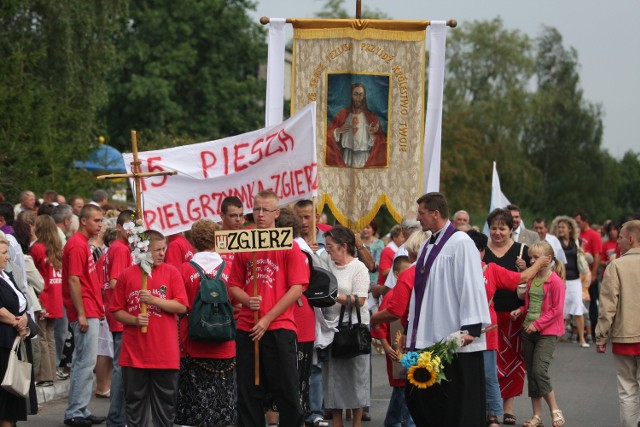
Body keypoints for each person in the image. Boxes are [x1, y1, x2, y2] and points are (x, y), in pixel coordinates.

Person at [405, 192, 490, 427]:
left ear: (435, 213)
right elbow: (421, 290)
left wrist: (470, 326)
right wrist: (410, 327)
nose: (418, 219)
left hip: (453, 332)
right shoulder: (426, 245)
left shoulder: (461, 243)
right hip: (428, 331)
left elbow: (470, 283)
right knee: (422, 397)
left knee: (455, 399)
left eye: (421, 214)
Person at [228, 190, 309, 427]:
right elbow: (233, 285)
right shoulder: (245, 242)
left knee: (286, 390)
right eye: (256, 209)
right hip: (248, 326)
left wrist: (267, 318)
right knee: (248, 390)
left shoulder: (290, 246)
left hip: (279, 327)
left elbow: (296, 288)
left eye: (265, 210)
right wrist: (246, 299)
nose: (260, 214)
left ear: (277, 213)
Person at [467, 230, 550, 427]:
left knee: (489, 373)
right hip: (462, 330)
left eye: (475, 250)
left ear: (481, 251)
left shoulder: (491, 269)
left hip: (487, 330)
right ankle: (471, 412)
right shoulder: (456, 270)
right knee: (467, 373)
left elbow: (520, 279)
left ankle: (494, 415)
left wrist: (538, 264)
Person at [111, 230, 189, 427]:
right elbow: (116, 310)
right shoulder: (126, 276)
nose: (163, 253)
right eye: (158, 250)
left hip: (165, 355)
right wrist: (135, 320)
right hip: (135, 354)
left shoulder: (172, 273)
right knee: (135, 407)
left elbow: (181, 306)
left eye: (164, 249)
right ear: (144, 250)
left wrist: (154, 300)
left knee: (165, 408)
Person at [175, 219, 236, 427]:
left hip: (191, 345)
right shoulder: (230, 268)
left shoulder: (183, 270)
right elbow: (237, 304)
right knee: (223, 406)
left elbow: (180, 307)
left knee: (193, 407)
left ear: (193, 241)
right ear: (217, 240)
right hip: (225, 345)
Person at [510, 242, 566, 427]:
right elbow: (531, 304)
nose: (531, 260)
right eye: (530, 257)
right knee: (532, 374)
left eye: (535, 257)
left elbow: (557, 310)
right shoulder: (532, 278)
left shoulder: (555, 281)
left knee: (539, 371)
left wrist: (537, 324)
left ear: (548, 259)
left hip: (546, 333)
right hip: (528, 331)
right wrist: (520, 310)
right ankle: (537, 416)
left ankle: (555, 409)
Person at [483, 208, 531, 425]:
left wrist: (528, 267)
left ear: (512, 229)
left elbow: (542, 278)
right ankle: (490, 408)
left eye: (502, 228)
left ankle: (508, 408)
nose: (497, 232)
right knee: (488, 364)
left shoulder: (523, 250)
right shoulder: (481, 250)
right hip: (487, 317)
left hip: (514, 316)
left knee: (513, 362)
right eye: (493, 228)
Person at [62, 204, 107, 427]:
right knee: (83, 362)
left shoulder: (82, 244)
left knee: (85, 362)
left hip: (89, 308)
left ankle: (81, 408)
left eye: (101, 221)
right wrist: (80, 313)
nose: (100, 225)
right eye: (96, 220)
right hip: (84, 310)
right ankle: (74, 412)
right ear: (84, 221)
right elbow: (73, 279)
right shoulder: (77, 245)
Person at [322, 225, 371, 427]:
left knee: (356, 376)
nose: (327, 250)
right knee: (333, 376)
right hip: (331, 328)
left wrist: (334, 297)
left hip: (354, 329)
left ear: (343, 246)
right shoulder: (326, 264)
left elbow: (360, 299)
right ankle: (336, 421)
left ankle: (357, 421)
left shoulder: (359, 267)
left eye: (330, 246)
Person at [595, 220, 640, 427]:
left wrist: (601, 335)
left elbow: (607, 306)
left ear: (631, 239)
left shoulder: (616, 265)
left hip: (625, 335)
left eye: (620, 237)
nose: (617, 241)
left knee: (627, 390)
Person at [370, 255, 415, 427]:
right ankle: (406, 422)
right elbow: (379, 323)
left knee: (405, 387)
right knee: (402, 386)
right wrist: (386, 346)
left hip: (409, 348)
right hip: (396, 350)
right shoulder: (390, 297)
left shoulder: (413, 293)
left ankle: (393, 421)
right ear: (396, 274)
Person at [104, 210, 134, 427]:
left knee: (122, 367)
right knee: (121, 368)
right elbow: (115, 282)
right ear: (119, 227)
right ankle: (116, 418)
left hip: (119, 313)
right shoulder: (121, 248)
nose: (132, 231)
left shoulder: (123, 247)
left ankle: (118, 417)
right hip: (120, 314)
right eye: (129, 227)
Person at [31, 215, 64, 386]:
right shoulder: (58, 248)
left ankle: (44, 376)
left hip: (43, 297)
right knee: (50, 338)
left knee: (42, 337)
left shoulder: (37, 248)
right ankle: (51, 374)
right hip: (56, 298)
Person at [0, 236, 30, 426]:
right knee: (3, 403)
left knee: (11, 402)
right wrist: (16, 322)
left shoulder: (6, 275)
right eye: (3, 253)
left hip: (13, 340)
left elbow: (21, 301)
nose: (8, 257)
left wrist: (25, 317)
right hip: (2, 342)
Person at [326, 83, 387, 168]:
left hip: (364, 157)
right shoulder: (343, 114)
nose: (358, 98)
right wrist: (339, 130)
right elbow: (327, 134)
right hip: (347, 156)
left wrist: (372, 134)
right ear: (351, 96)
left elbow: (381, 142)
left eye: (361, 95)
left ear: (364, 96)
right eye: (355, 94)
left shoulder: (371, 117)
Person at [551, 216, 590, 347]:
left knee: (578, 308)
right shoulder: (555, 242)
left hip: (575, 279)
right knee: (559, 309)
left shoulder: (577, 241)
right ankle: (553, 341)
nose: (560, 229)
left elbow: (585, 258)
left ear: (569, 229)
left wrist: (582, 253)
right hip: (561, 278)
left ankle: (582, 339)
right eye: (559, 227)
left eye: (563, 227)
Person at [575, 211, 602, 342]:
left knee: (592, 304)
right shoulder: (577, 234)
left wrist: (594, 273)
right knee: (579, 304)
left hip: (589, 275)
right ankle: (581, 332)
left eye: (578, 222)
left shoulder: (594, 235)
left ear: (586, 221)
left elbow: (597, 255)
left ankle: (594, 332)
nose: (577, 224)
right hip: (578, 276)